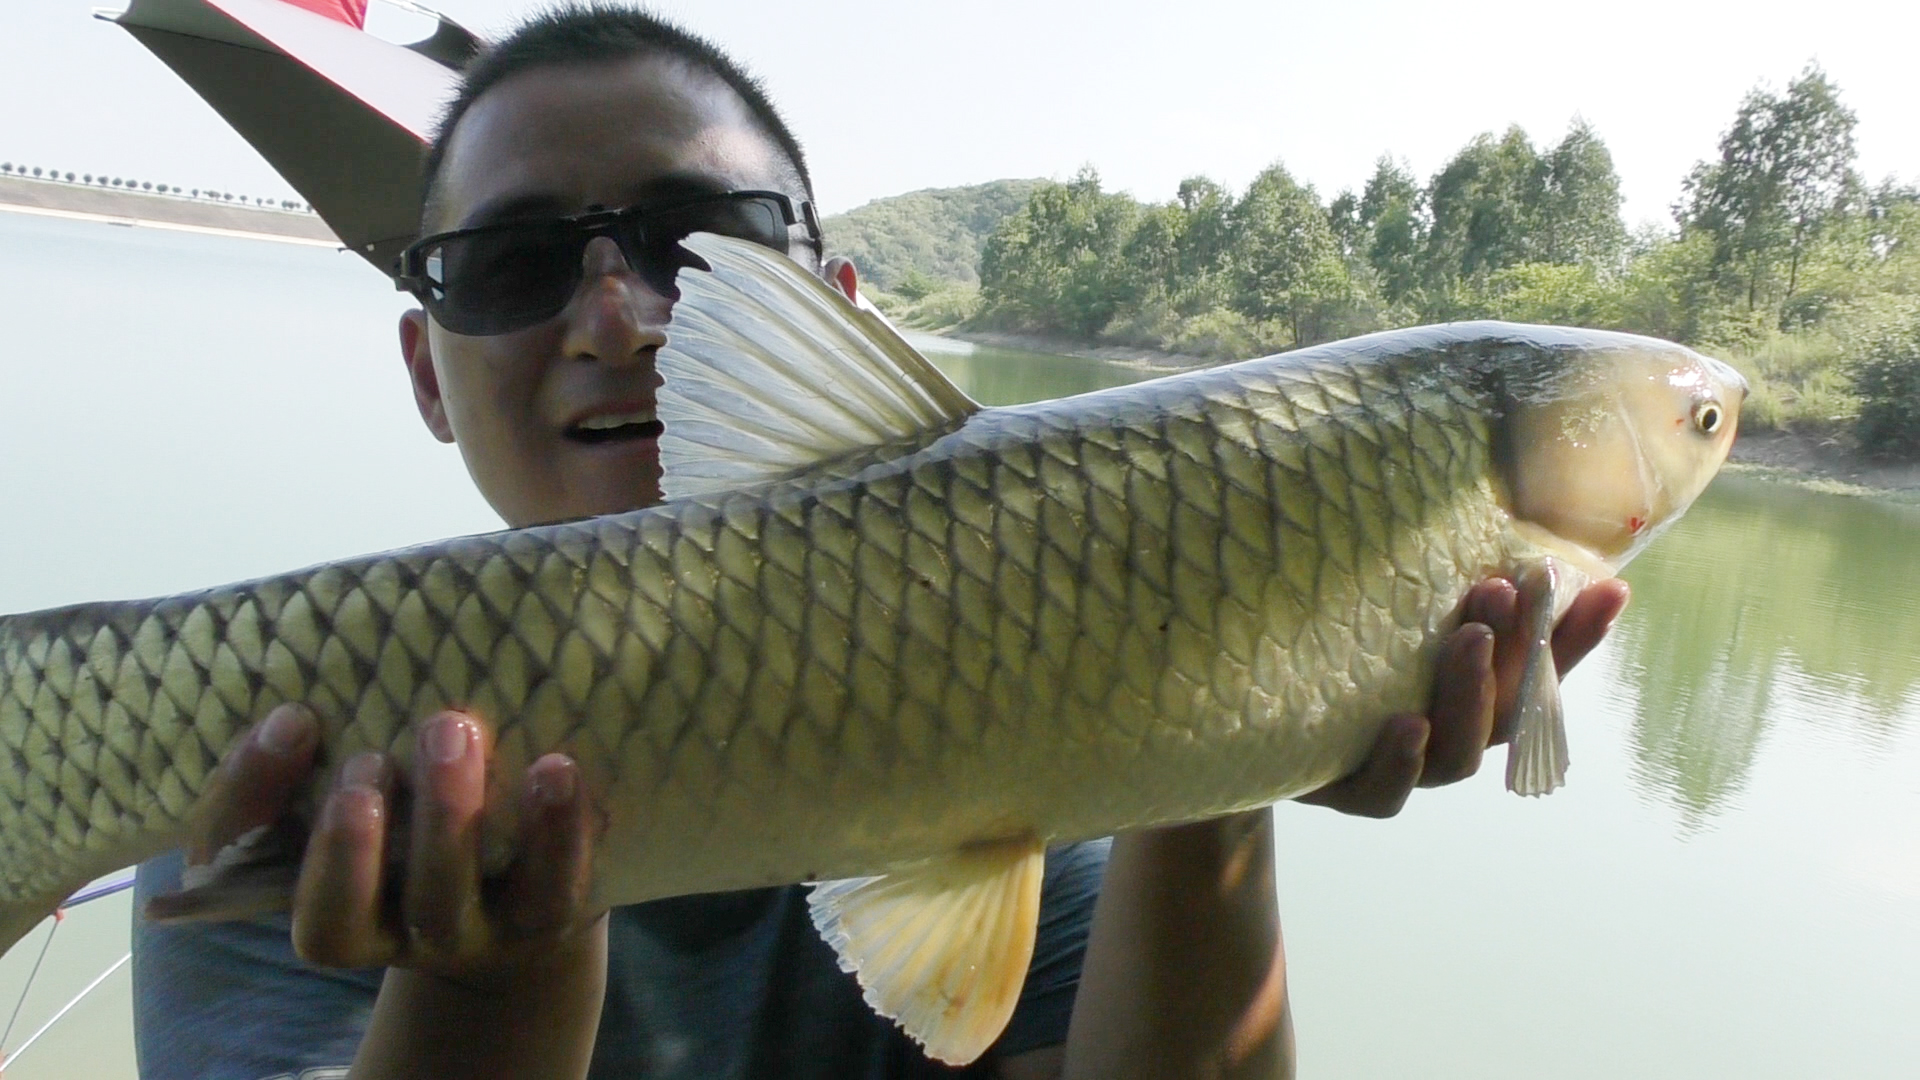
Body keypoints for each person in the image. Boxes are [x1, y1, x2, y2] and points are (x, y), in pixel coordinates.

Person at [130, 6, 1628, 1079]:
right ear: (421, 368)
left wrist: (1218, 760)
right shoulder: (304, 768)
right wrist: (483, 994)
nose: (610, 319)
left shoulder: (1034, 743)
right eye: (514, 263)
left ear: (839, 308)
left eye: (694, 240)